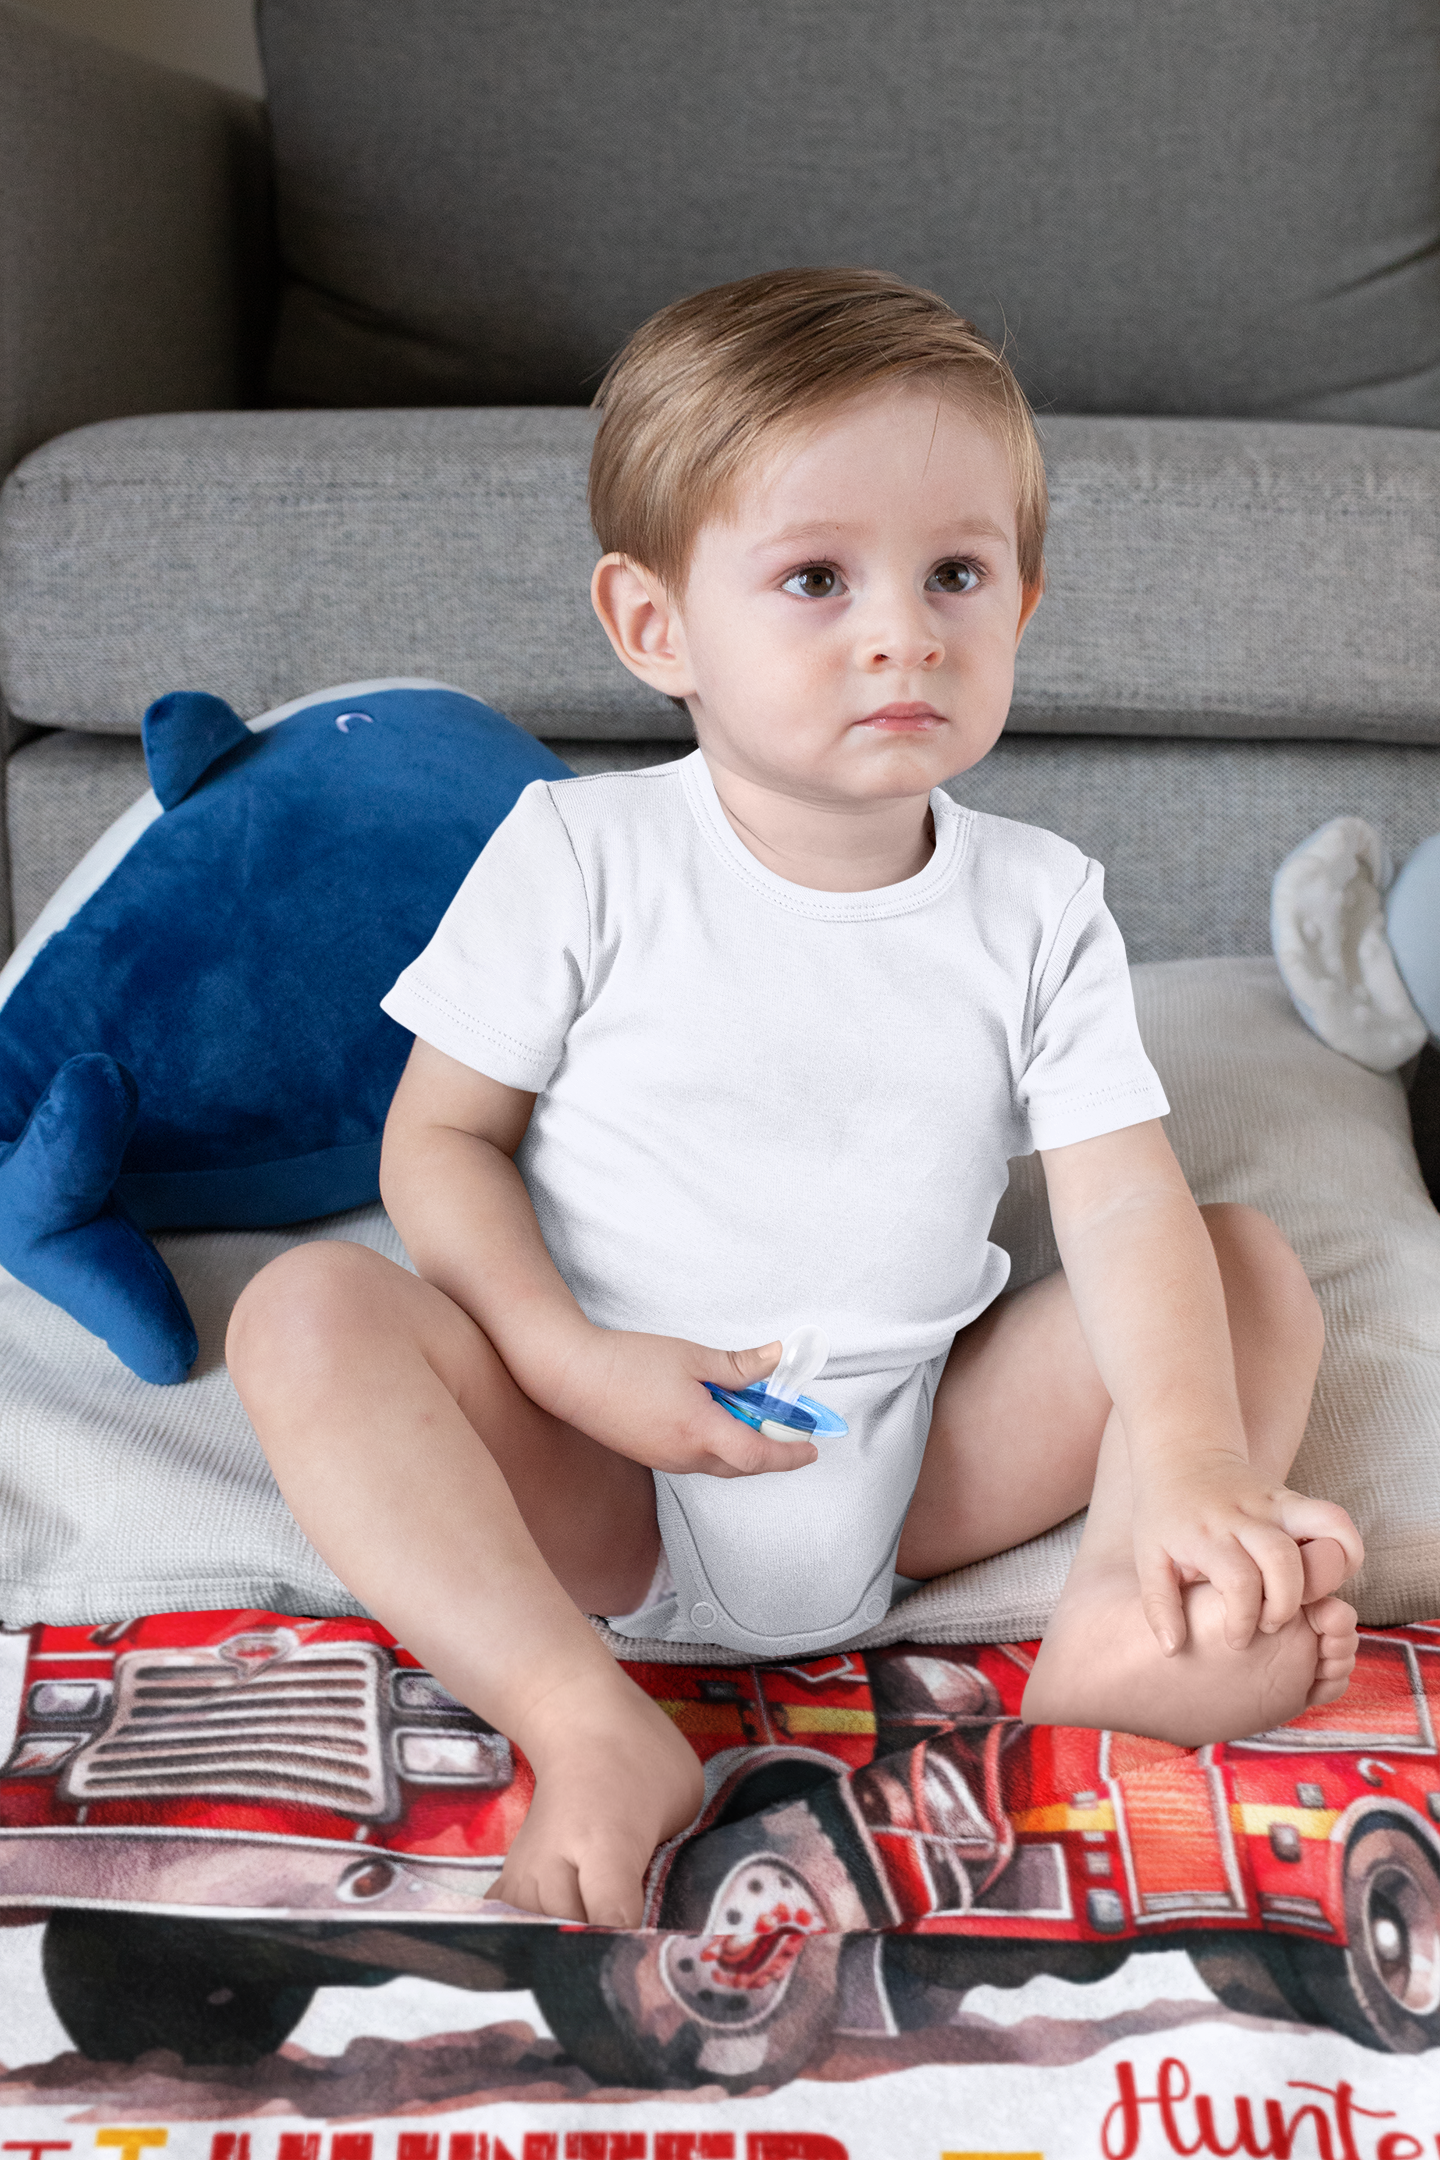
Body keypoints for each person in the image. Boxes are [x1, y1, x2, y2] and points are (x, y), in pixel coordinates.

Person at [227, 267, 1362, 1931]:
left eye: (956, 573)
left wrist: (1191, 1459)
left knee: (1235, 1259)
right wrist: (574, 1364)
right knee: (307, 1310)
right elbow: (442, 1142)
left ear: (1025, 607)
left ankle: (1126, 1613)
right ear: (653, 625)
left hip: (910, 1467)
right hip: (603, 1470)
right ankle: (585, 1719)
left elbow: (1117, 1202)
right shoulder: (581, 857)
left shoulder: (1039, 902)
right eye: (818, 578)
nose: (903, 628)